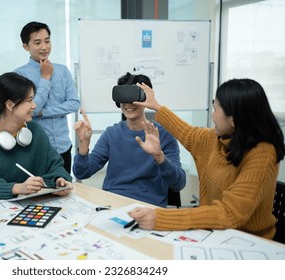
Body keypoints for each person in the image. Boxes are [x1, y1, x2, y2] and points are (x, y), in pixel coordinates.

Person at [129, 78, 285, 239]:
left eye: (216, 109)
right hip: (212, 234)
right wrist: (156, 106)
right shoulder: (217, 138)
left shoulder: (262, 154)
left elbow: (229, 213)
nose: (212, 116)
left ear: (234, 118)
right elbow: (188, 134)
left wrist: (160, 218)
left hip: (248, 242)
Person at [73, 72, 186, 207]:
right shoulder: (112, 134)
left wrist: (159, 157)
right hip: (112, 204)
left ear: (145, 99)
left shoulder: (163, 135)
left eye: (133, 97)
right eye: (123, 97)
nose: (128, 104)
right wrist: (84, 145)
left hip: (148, 206)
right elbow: (82, 172)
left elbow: (178, 183)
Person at [0, 72, 73, 202]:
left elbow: (55, 165)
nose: (34, 105)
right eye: (29, 100)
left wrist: (59, 180)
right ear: (10, 105)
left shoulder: (35, 130)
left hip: (34, 204)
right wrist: (16, 188)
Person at [14, 21, 80, 173]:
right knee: (39, 193)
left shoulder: (62, 70)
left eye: (47, 41)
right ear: (26, 46)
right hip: (36, 149)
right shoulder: (19, 75)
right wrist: (45, 77)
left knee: (63, 190)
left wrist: (45, 112)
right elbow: (33, 110)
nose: (44, 47)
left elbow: (74, 103)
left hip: (63, 146)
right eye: (37, 42)